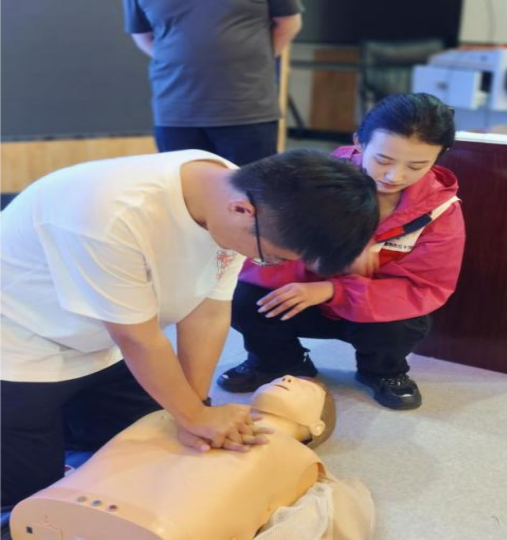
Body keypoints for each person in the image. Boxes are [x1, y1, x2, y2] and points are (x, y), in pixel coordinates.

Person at [0, 149, 379, 509]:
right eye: (272, 257)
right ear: (242, 210)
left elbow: (208, 312)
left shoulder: (242, 196)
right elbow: (137, 338)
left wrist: (196, 409)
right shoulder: (110, 214)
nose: (262, 262)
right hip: (19, 342)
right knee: (25, 499)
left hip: (103, 341)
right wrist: (194, 417)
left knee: (149, 450)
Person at [219, 93, 467, 411]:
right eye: (383, 160)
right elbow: (264, 247)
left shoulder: (440, 211)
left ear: (440, 157)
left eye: (417, 166)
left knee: (402, 324)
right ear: (359, 143)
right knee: (245, 297)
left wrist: (334, 289)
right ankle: (276, 362)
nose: (395, 176)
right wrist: (318, 257)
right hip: (302, 297)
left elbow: (425, 286)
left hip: (369, 312)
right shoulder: (313, 181)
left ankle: (383, 372)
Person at [11, 377, 375, 540]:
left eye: (305, 386)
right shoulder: (186, 414)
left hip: (171, 523)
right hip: (93, 497)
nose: (288, 379)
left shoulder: (299, 458)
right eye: (286, 377)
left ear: (316, 426)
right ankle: (78, 498)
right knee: (152, 430)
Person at [123, 0, 303, 164]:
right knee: (182, 186)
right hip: (176, 109)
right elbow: (142, 35)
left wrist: (255, 60)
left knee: (250, 186)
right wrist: (180, 60)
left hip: (246, 106)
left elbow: (289, 23)